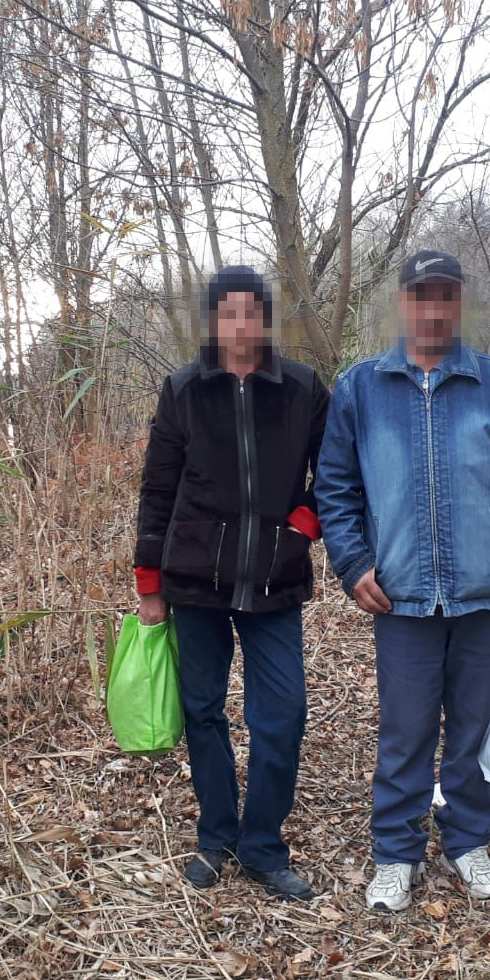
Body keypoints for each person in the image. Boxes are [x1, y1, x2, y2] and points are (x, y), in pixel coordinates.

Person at [315, 249, 490, 912]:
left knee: (474, 728)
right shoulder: (360, 388)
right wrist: (353, 563)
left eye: (444, 296)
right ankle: (394, 853)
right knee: (405, 729)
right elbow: (334, 489)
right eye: (420, 296)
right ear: (401, 304)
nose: (432, 309)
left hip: (486, 590)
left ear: (458, 304)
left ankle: (466, 842)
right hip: (401, 596)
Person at [133, 265, 329, 901]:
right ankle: (216, 837)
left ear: (265, 319)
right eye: (228, 314)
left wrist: (299, 529)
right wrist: (149, 582)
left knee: (284, 712)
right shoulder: (184, 390)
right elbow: (158, 488)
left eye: (251, 312)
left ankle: (264, 846)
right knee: (203, 712)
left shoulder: (300, 388)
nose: (240, 325)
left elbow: (333, 474)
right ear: (212, 321)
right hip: (195, 582)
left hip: (275, 580)